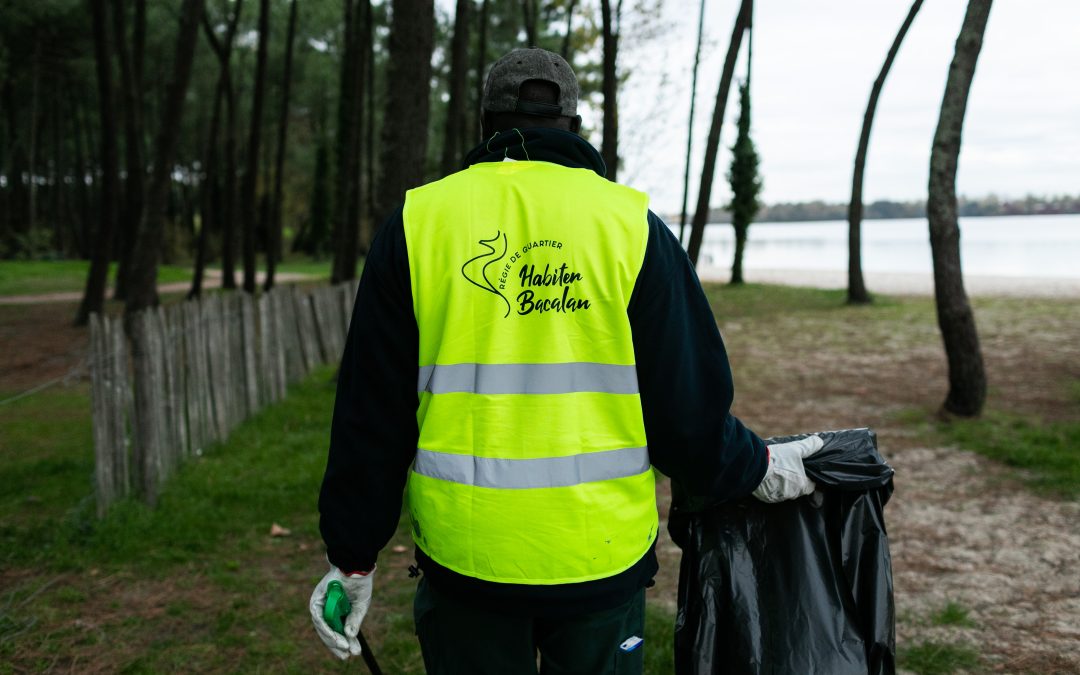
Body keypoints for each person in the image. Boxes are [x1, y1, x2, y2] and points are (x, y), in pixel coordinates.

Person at [309, 47, 821, 674]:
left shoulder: (419, 225)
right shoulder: (632, 227)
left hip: (469, 563)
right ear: (574, 127)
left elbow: (372, 411)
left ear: (485, 124)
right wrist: (756, 466)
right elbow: (685, 415)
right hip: (599, 560)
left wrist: (353, 555)